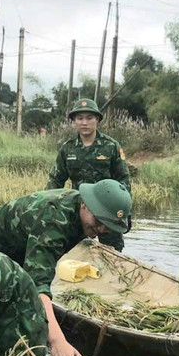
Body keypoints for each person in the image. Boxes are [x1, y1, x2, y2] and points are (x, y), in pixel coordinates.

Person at [0, 179, 132, 356]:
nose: (101, 230)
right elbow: (38, 286)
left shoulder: (86, 215)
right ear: (84, 204)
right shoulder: (54, 219)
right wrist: (56, 340)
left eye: (108, 226)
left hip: (15, 263)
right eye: (98, 222)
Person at [46, 98, 131, 251]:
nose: (84, 122)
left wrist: (124, 213)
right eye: (79, 118)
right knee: (74, 252)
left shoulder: (111, 146)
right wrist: (49, 207)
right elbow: (55, 180)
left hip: (107, 211)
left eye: (89, 118)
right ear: (74, 121)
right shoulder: (68, 148)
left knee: (112, 254)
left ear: (97, 119)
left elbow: (124, 180)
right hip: (80, 211)